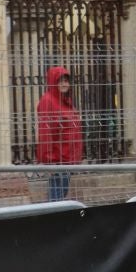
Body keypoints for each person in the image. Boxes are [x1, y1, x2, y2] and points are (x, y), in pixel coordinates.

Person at [35, 66, 83, 201]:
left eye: (66, 80)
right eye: (60, 80)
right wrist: (49, 160)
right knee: (56, 199)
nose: (64, 84)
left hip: (67, 157)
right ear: (53, 82)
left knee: (60, 196)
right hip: (57, 159)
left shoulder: (66, 101)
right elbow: (45, 133)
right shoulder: (47, 101)